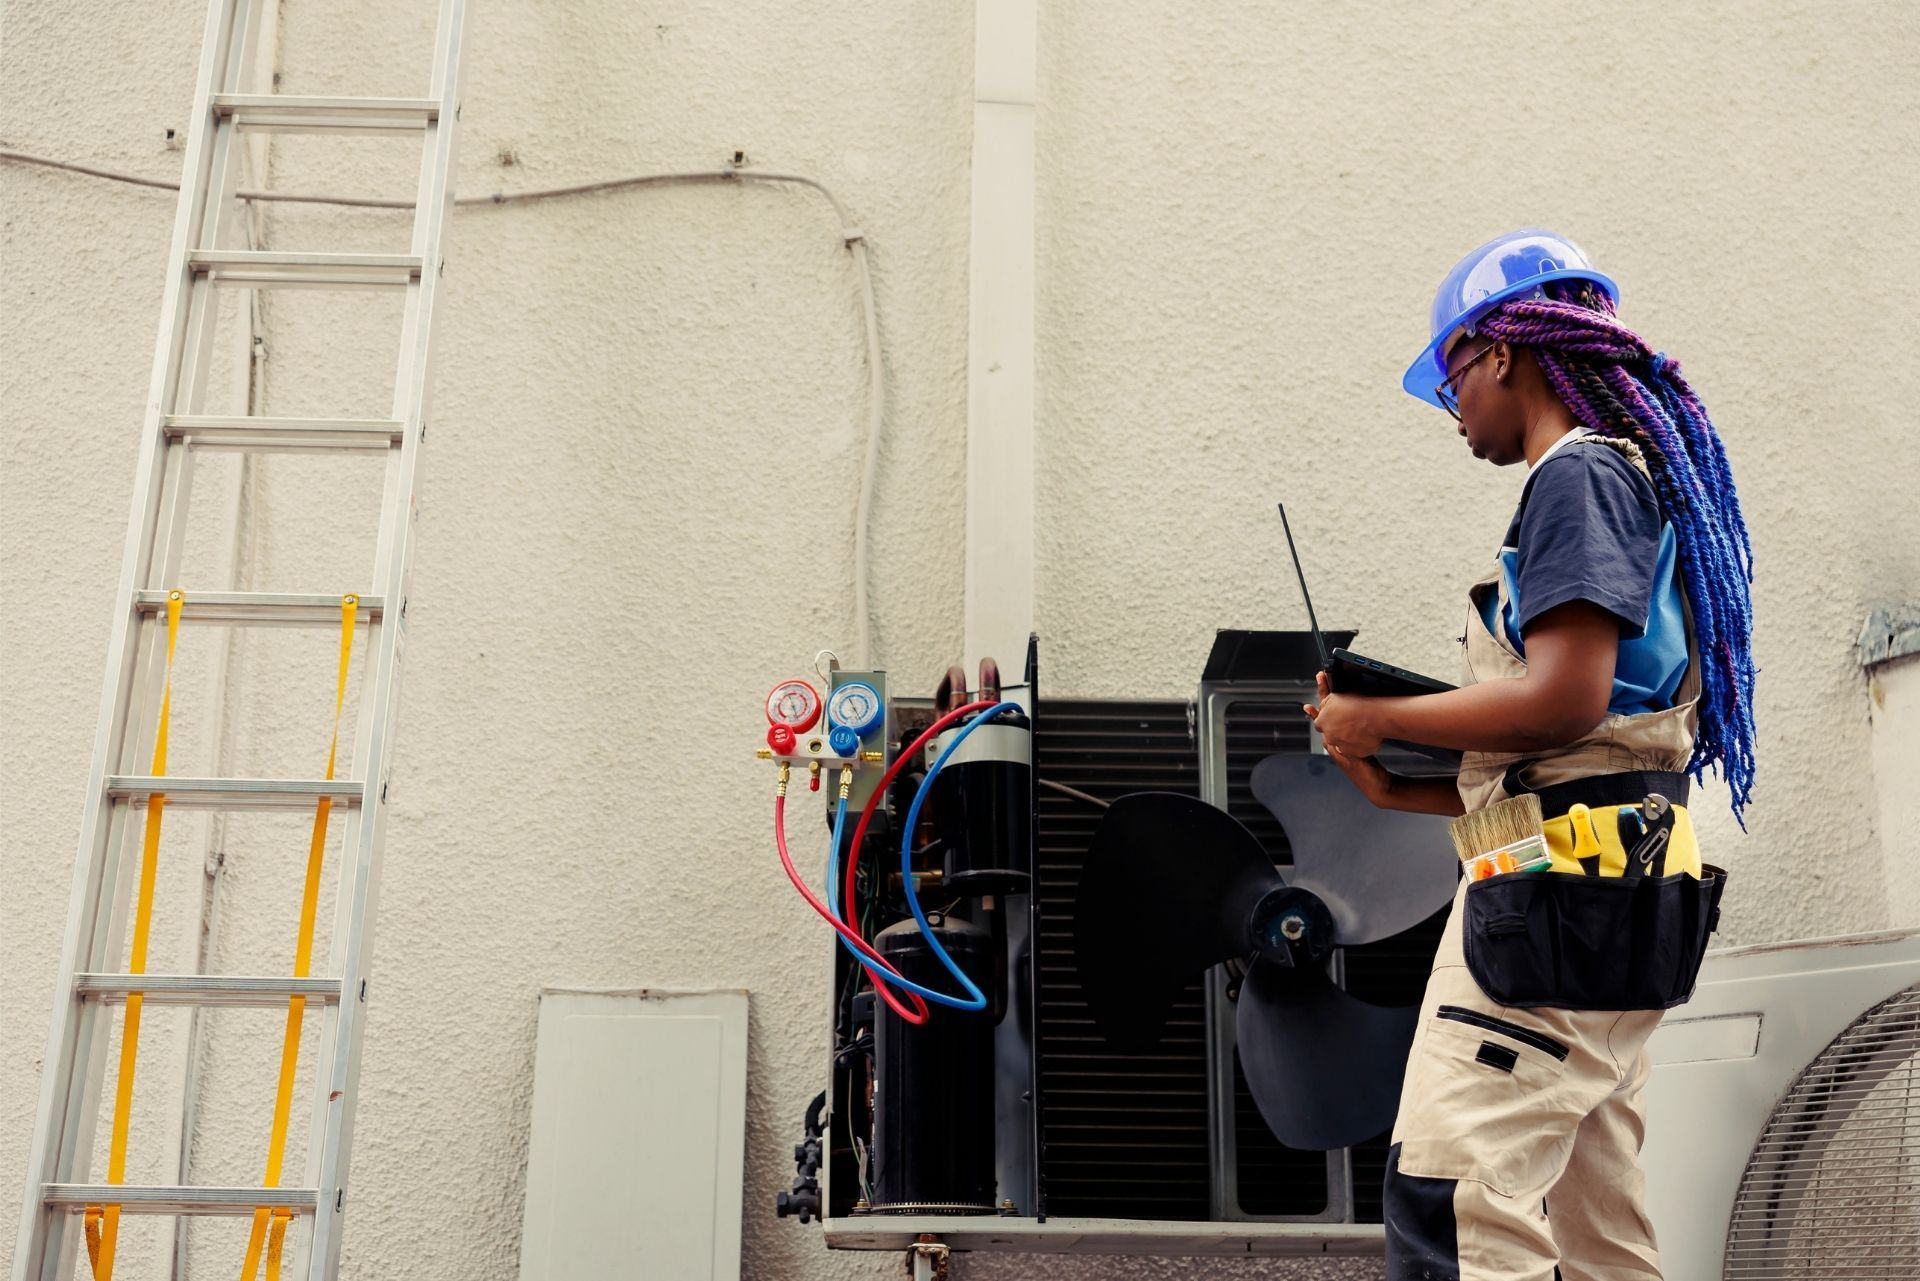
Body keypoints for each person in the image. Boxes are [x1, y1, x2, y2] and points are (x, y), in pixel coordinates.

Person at [1303, 230, 1755, 1280]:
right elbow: (1595, 756)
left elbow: (1564, 700)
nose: (1453, 408)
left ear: (1501, 352)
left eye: (1452, 375)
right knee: (1599, 1238)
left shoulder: (1580, 476)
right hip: (1600, 897)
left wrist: (1385, 720)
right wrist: (1402, 783)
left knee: (1453, 1194)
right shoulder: (1622, 477)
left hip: (1553, 919)